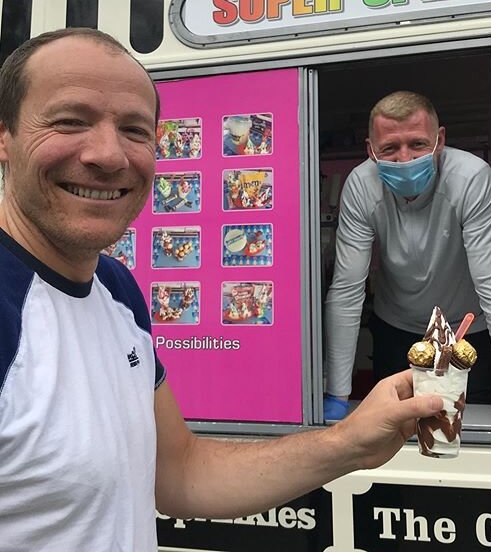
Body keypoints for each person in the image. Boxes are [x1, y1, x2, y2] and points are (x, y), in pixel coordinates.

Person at [0, 29, 444, 551]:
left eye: (135, 130)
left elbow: (179, 472)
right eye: (70, 121)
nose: (108, 154)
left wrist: (347, 443)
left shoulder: (115, 289)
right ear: (4, 137)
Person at [323, 90, 491, 421]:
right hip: (396, 328)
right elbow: (347, 290)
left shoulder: (470, 178)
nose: (405, 159)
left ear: (440, 140)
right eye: (389, 149)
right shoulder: (360, 185)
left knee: (472, 427)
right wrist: (337, 393)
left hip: (468, 330)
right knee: (395, 431)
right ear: (370, 150)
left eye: (418, 144)